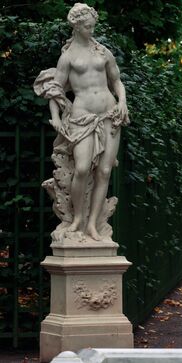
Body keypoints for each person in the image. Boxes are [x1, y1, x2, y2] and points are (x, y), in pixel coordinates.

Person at [34, 3, 129, 241]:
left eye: (93, 26)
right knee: (83, 168)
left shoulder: (103, 52)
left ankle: (93, 225)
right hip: (82, 116)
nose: (91, 30)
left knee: (105, 171)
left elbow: (116, 81)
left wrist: (123, 101)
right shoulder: (67, 57)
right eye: (87, 27)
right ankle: (77, 219)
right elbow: (55, 89)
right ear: (76, 26)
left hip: (110, 114)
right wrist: (55, 117)